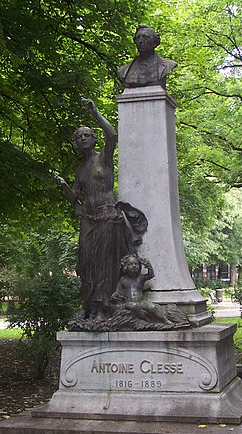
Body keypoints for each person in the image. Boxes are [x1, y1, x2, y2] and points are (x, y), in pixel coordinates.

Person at [53, 99, 147, 325]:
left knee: (103, 263)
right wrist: (63, 185)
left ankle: (100, 308)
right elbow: (74, 196)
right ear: (75, 143)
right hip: (89, 218)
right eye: (79, 137)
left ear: (93, 139)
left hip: (107, 217)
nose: (83, 138)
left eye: (87, 135)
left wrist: (95, 114)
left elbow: (112, 136)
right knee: (85, 261)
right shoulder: (80, 169)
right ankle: (87, 304)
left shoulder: (103, 159)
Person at [111, 254, 173, 325]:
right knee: (134, 306)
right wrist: (114, 296)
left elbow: (151, 275)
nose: (134, 266)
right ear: (125, 267)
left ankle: (165, 320)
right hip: (129, 303)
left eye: (136, 264)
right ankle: (146, 320)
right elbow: (118, 291)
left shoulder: (140, 278)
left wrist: (148, 265)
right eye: (130, 264)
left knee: (151, 306)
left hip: (141, 301)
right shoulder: (123, 279)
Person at [118, 25, 177, 89]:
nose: (140, 41)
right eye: (138, 38)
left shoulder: (166, 65)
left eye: (145, 37)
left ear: (155, 42)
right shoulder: (123, 70)